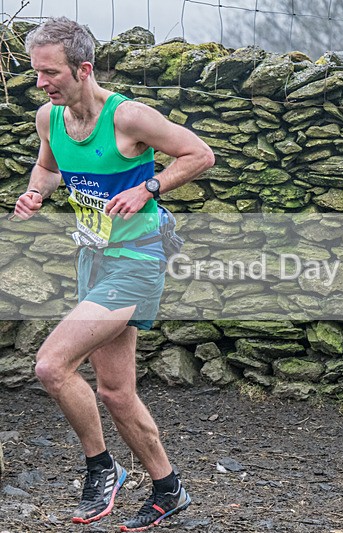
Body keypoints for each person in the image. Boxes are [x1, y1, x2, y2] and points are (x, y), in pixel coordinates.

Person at [14, 17, 214, 529]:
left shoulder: (128, 118)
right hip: (94, 259)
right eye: (37, 72)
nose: (40, 82)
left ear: (83, 70)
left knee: (51, 366)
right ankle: (169, 489)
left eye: (50, 72)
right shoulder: (49, 118)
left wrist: (149, 188)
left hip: (138, 261)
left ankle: (102, 469)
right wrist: (36, 192)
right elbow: (49, 168)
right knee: (115, 392)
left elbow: (200, 154)